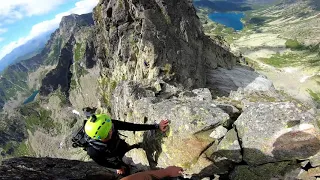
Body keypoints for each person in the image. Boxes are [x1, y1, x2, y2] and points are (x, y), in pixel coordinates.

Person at [84, 113, 169, 175]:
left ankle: (135, 147)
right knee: (124, 171)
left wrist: (156, 126)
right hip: (112, 157)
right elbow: (103, 163)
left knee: (126, 147)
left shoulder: (109, 124)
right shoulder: (93, 151)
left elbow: (131, 126)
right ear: (101, 137)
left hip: (119, 145)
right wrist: (118, 167)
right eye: (109, 131)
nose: (112, 129)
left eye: (111, 127)